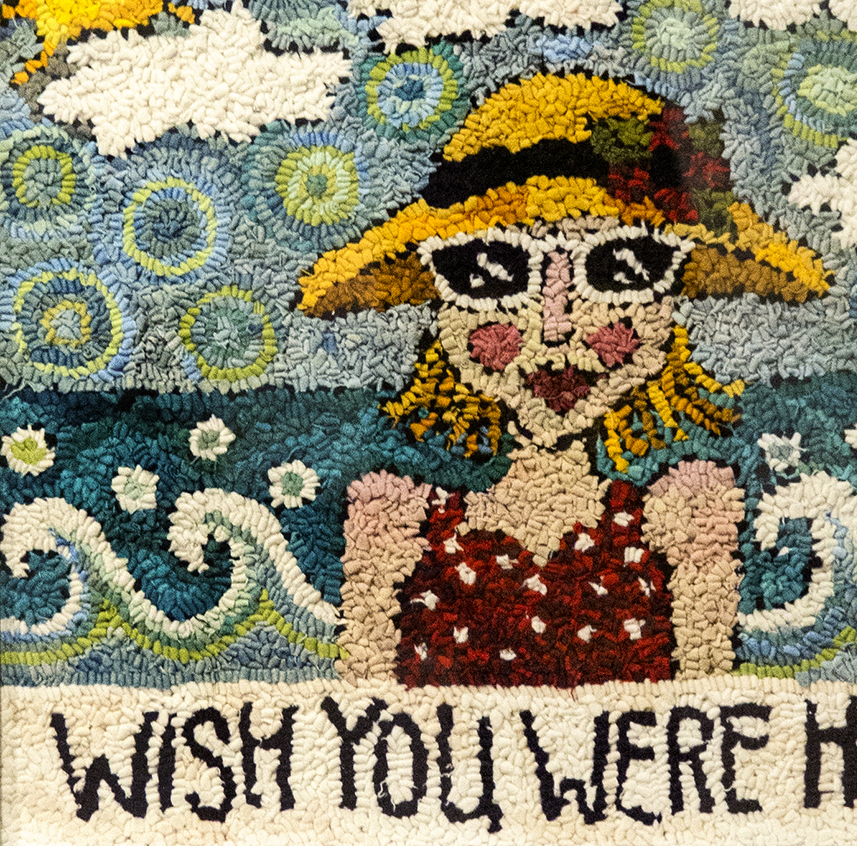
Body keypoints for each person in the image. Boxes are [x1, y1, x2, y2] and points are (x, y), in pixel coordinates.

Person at [298, 72, 829, 687]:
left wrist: (701, 575)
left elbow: (708, 715)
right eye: (492, 272)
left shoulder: (687, 520)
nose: (557, 327)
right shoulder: (396, 526)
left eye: (620, 270)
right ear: (444, 309)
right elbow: (359, 716)